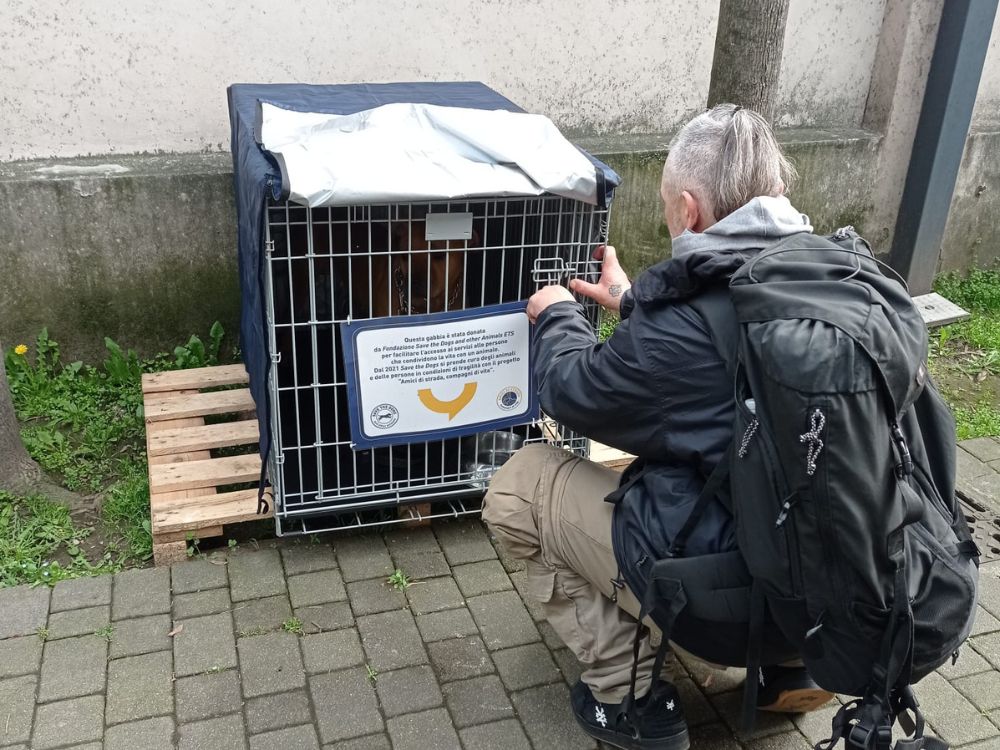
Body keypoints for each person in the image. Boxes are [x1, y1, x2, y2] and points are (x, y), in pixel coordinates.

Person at [482, 104, 833, 750]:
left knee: (518, 487)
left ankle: (632, 697)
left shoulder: (679, 337)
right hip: (836, 603)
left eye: (672, 208)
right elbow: (720, 317)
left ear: (691, 211)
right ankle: (794, 671)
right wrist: (635, 299)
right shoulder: (830, 273)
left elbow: (573, 392)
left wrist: (558, 315)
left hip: (733, 603)